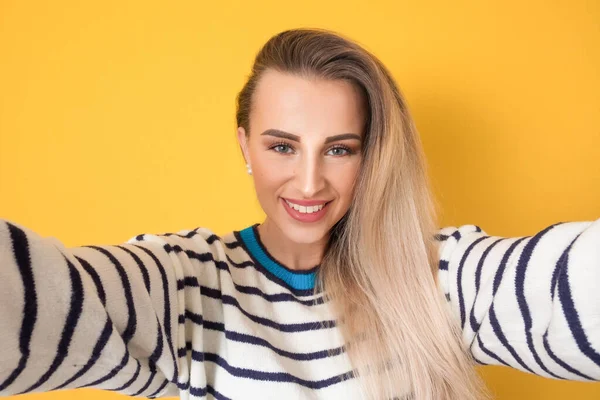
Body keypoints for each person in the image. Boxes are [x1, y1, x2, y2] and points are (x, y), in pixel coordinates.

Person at [0, 28, 598, 400]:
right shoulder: (186, 284)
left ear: (372, 156)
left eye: (340, 149)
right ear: (244, 148)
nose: (309, 182)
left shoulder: (436, 277)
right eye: (282, 146)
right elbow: (42, 306)